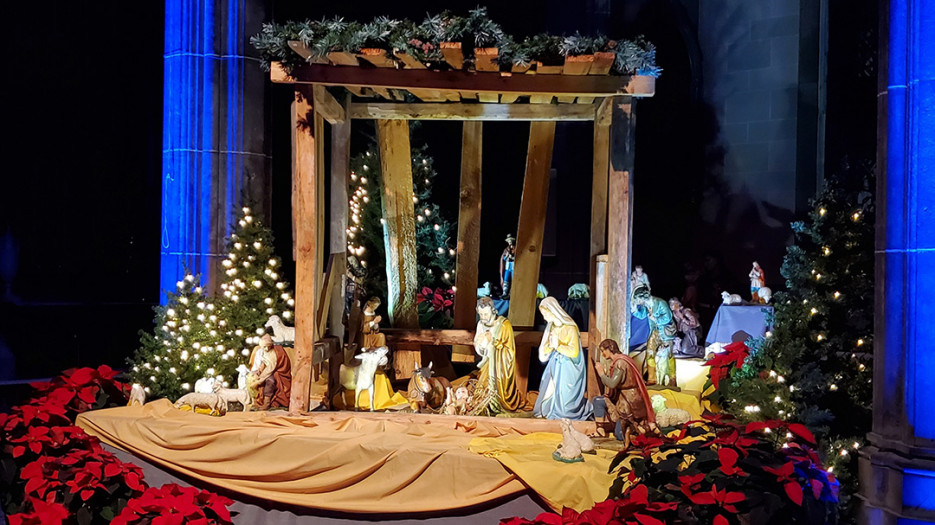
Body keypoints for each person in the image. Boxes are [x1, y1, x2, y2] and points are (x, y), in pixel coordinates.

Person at [533, 297, 591, 420]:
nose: (544, 318)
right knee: (549, 389)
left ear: (553, 311)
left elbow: (574, 352)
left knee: (565, 402)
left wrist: (558, 345)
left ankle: (566, 411)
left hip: (569, 367)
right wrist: (550, 347)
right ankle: (549, 410)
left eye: (545, 314)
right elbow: (548, 348)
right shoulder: (552, 327)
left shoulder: (570, 328)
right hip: (556, 365)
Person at [592, 339, 657, 444]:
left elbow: (612, 383)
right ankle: (600, 430)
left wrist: (601, 374)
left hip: (628, 401)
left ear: (610, 349)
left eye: (603, 350)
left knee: (620, 434)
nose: (603, 354)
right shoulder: (620, 360)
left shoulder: (620, 362)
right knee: (598, 401)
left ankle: (640, 431)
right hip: (620, 397)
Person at [473, 296, 522, 414]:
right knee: (482, 387)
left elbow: (508, 348)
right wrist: (480, 344)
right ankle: (484, 404)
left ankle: (496, 403)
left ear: (493, 311)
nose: (483, 317)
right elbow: (478, 344)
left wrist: (492, 341)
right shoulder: (480, 324)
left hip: (500, 365)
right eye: (481, 314)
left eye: (485, 314)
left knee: (493, 386)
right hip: (487, 362)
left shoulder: (504, 325)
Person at [631, 286, 678, 387]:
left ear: (642, 297)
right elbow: (642, 315)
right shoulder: (646, 306)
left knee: (668, 355)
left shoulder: (660, 303)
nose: (637, 301)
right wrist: (634, 310)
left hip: (665, 333)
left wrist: (656, 319)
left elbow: (668, 316)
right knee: (650, 353)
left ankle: (672, 379)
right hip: (655, 332)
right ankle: (652, 379)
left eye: (637, 299)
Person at [248, 333, 293, 410]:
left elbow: (271, 367)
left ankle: (267, 402)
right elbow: (261, 363)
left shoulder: (274, 352)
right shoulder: (260, 352)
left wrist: (261, 378)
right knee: (253, 380)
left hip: (275, 371)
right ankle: (257, 401)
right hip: (266, 371)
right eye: (264, 347)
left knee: (270, 381)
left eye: (268, 347)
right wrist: (258, 372)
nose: (266, 349)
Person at [500, 234, 516, 298]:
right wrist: (507, 256)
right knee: (506, 279)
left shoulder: (515, 249)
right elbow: (503, 258)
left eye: (511, 241)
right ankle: (504, 293)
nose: (510, 242)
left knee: (513, 280)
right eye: (509, 241)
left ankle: (511, 293)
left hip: (512, 266)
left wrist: (512, 257)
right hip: (507, 266)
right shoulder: (506, 250)